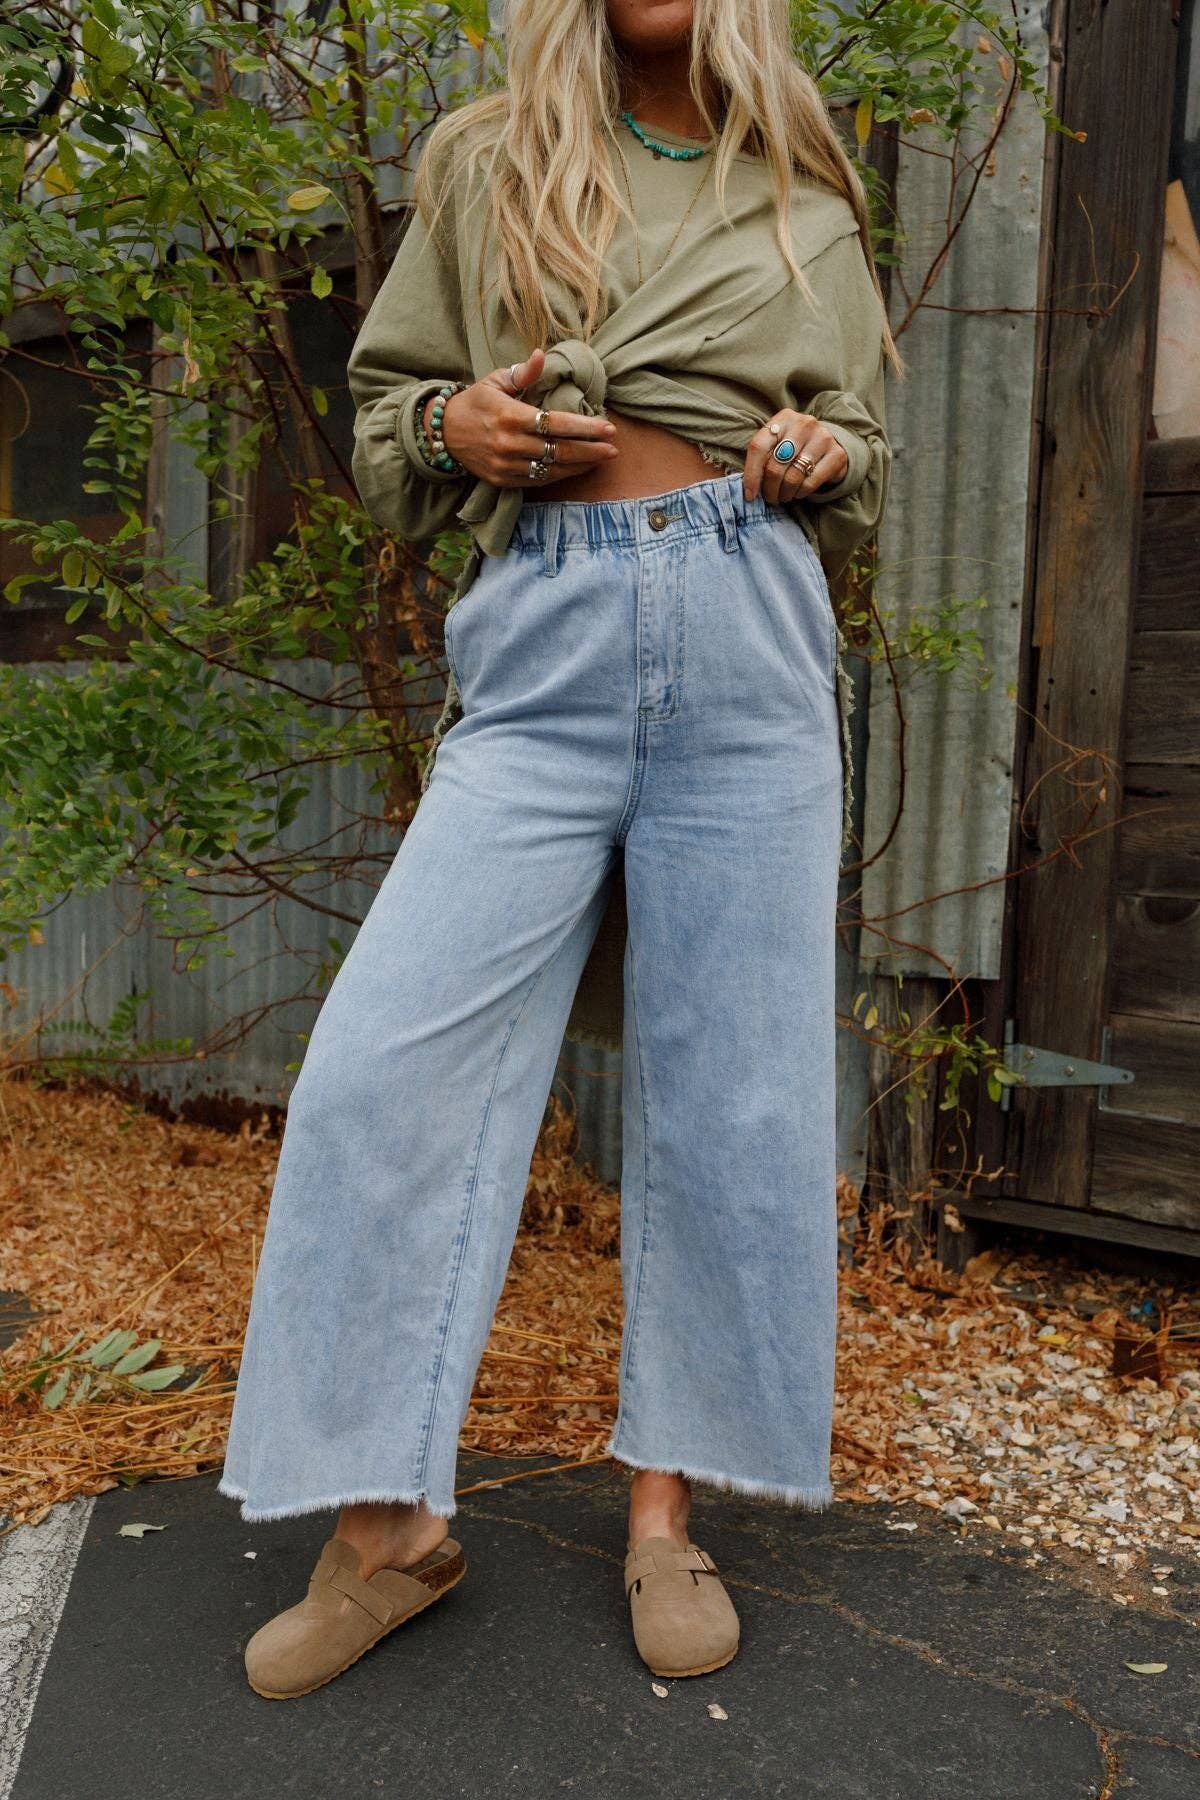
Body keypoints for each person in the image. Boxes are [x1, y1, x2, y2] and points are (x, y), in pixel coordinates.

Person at [218, 0, 892, 1699]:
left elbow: (864, 447)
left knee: (730, 1087)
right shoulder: (485, 161)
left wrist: (823, 451)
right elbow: (391, 417)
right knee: (382, 1072)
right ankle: (388, 1529)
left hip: (748, 636)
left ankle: (666, 1507)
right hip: (543, 643)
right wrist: (455, 429)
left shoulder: (805, 187)